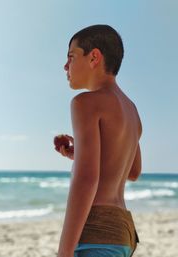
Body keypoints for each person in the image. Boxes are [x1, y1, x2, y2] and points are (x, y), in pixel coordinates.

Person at [55, 24, 142, 257]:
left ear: (94, 57)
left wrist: (64, 252)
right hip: (122, 234)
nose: (65, 66)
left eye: (71, 57)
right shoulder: (132, 111)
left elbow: (86, 180)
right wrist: (80, 153)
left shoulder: (85, 103)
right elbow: (132, 171)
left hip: (96, 232)